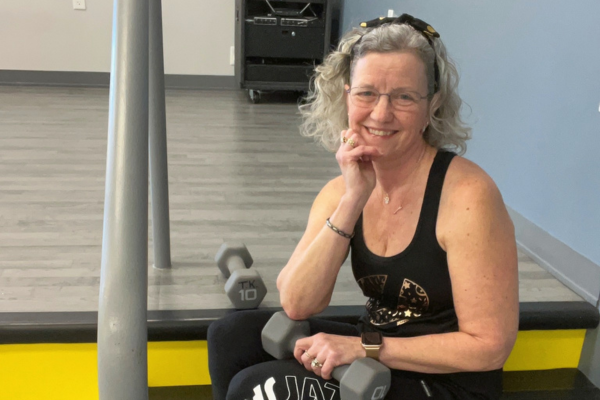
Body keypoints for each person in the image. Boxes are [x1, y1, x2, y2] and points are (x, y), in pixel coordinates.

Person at [208, 14, 518, 400]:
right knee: (232, 336)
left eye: (404, 96)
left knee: (257, 388)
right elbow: (297, 302)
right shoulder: (342, 191)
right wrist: (353, 199)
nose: (381, 113)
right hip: (376, 354)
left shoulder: (469, 196)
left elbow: (490, 346)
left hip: (447, 380)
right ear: (346, 95)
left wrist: (365, 347)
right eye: (367, 93)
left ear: (432, 105)